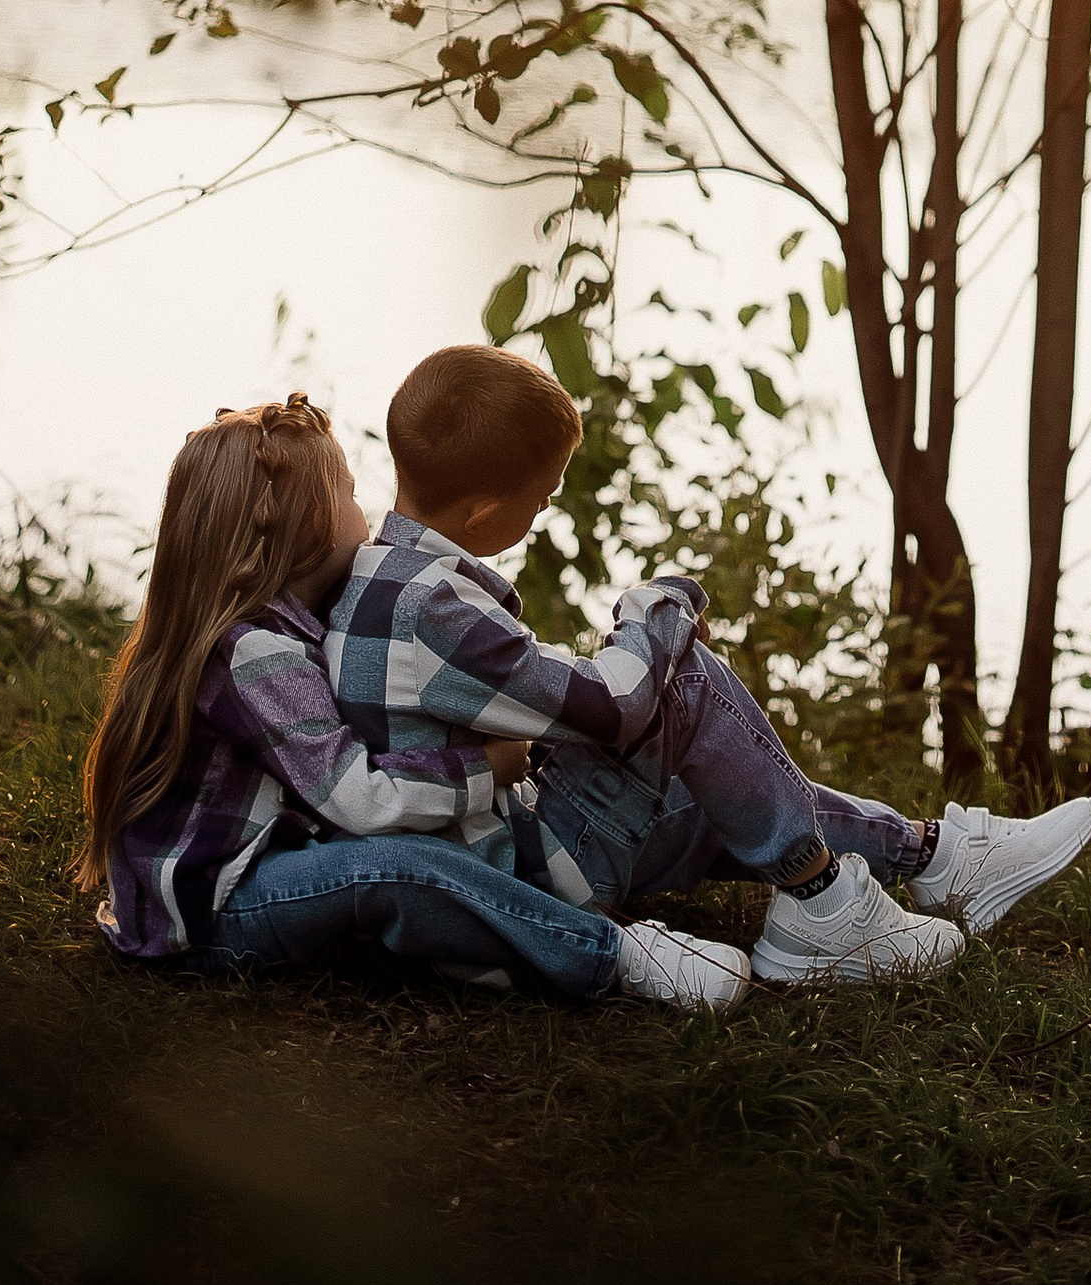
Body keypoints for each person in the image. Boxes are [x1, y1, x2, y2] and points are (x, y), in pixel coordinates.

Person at [327, 343, 1091, 989]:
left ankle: (942, 860)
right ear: (485, 515)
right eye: (543, 500)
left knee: (720, 789)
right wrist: (656, 605)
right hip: (519, 878)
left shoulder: (378, 578)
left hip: (499, 836)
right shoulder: (434, 608)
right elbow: (616, 706)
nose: (542, 515)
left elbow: (525, 695)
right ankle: (821, 906)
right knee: (681, 680)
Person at [78, 388, 748, 1010]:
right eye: (348, 494)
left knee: (402, 863)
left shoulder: (276, 631)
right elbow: (363, 800)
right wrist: (489, 768)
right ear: (313, 521)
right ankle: (610, 955)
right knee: (394, 868)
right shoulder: (257, 652)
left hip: (236, 883)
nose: (363, 516)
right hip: (212, 915)